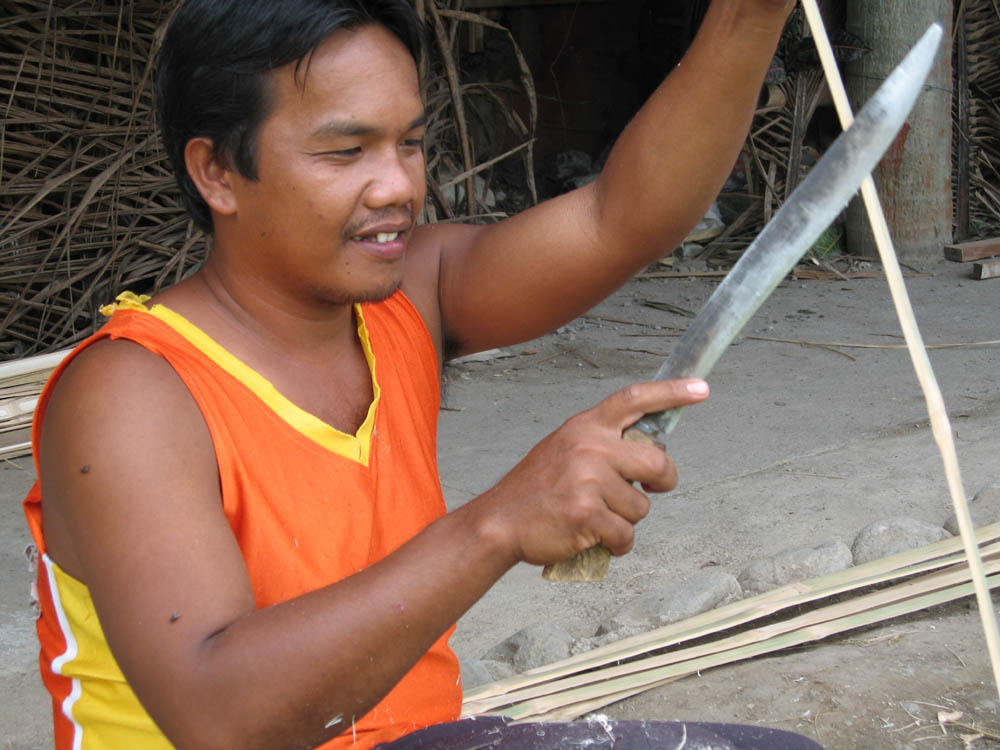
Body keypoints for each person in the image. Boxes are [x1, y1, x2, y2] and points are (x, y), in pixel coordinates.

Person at [22, 0, 801, 748]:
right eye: (345, 151)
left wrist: (750, 12)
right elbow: (221, 722)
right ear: (218, 172)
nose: (398, 185)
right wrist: (498, 521)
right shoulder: (131, 394)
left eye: (411, 144)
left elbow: (621, 219)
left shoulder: (410, 298)